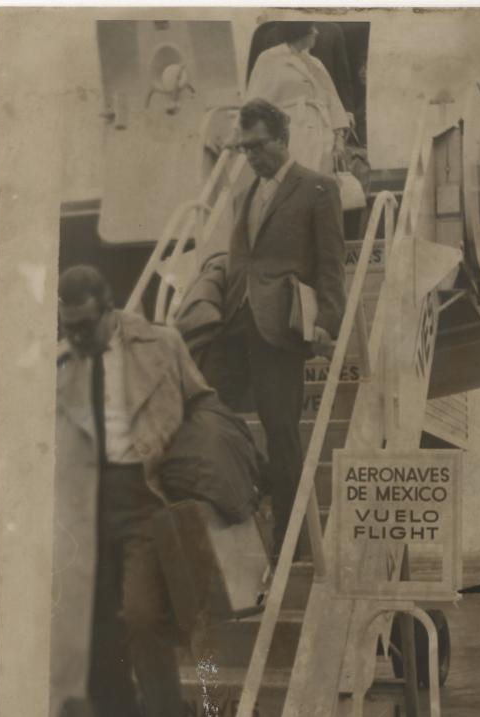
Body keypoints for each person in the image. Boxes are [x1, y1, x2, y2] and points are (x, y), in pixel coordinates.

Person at [54, 265, 220, 717]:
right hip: (84, 510)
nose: (74, 337)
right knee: (95, 656)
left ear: (109, 311)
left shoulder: (161, 345)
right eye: (66, 327)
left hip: (143, 498)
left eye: (82, 326)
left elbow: (202, 404)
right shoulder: (61, 369)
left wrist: (203, 479)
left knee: (144, 616)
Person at [202, 99, 345, 562]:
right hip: (235, 322)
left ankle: (292, 538)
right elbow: (238, 259)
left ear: (282, 139)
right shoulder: (245, 193)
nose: (251, 157)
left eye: (258, 146)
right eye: (244, 149)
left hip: (279, 328)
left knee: (281, 429)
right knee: (209, 411)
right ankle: (256, 485)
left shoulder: (318, 188)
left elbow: (330, 266)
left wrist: (326, 323)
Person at [245, 23, 350, 174]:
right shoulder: (269, 58)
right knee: (294, 178)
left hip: (321, 131)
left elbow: (332, 99)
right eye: (312, 28)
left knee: (321, 178)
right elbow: (254, 101)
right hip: (290, 131)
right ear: (299, 32)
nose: (316, 32)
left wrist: (338, 137)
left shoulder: (315, 63)